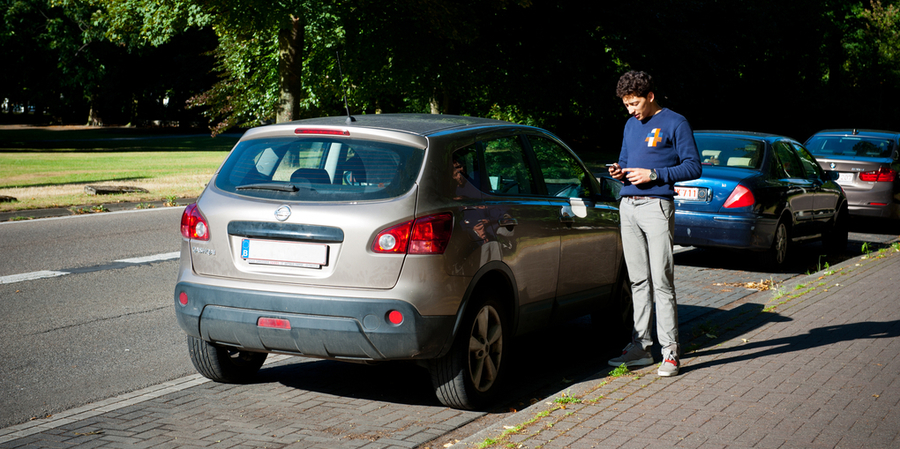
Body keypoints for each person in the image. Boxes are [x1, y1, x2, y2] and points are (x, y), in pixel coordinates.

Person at [607, 71, 701, 377]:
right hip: (628, 207)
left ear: (650, 96)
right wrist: (619, 172)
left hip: (656, 206)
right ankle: (641, 347)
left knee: (662, 280)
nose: (631, 110)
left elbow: (693, 166)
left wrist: (655, 175)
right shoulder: (630, 125)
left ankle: (670, 352)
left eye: (635, 103)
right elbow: (625, 158)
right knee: (637, 281)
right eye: (626, 105)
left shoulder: (676, 122)